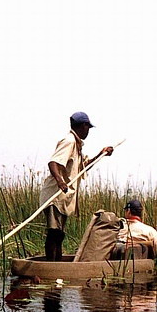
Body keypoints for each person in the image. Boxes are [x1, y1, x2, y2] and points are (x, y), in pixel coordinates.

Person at [40, 111, 113, 260]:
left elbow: (83, 167)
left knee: (59, 234)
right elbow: (53, 162)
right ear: (83, 126)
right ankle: (50, 266)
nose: (88, 131)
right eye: (88, 127)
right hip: (55, 196)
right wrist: (60, 181)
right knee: (54, 232)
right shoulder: (69, 141)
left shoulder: (77, 145)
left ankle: (56, 264)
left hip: (64, 197)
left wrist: (102, 154)